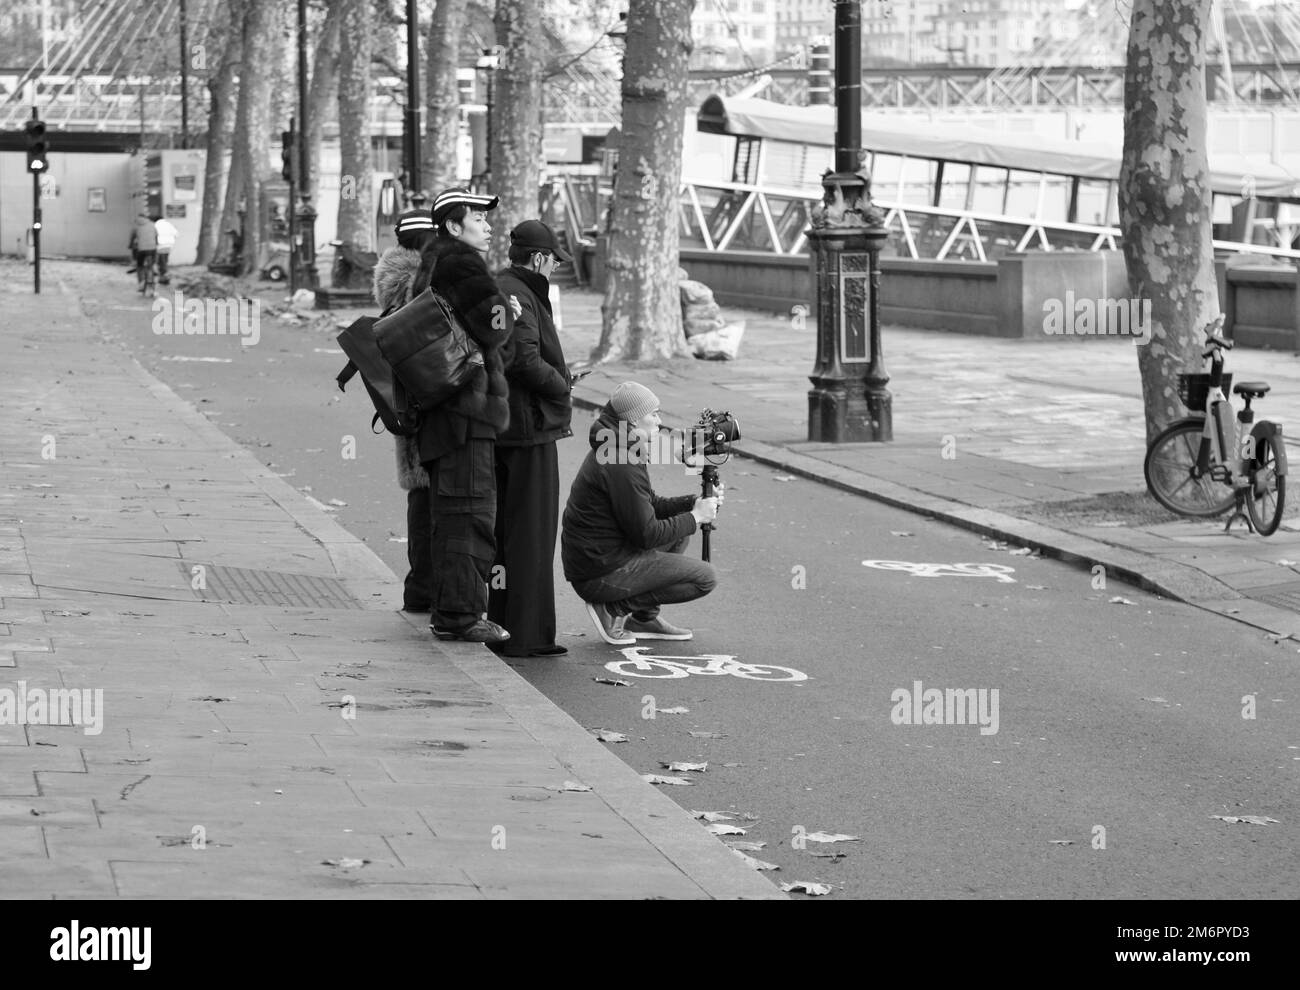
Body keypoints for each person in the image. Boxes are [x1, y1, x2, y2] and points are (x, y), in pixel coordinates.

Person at [409, 188, 519, 644]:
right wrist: (508, 313)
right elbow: (493, 330)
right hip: (465, 414)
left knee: (451, 512)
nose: (488, 226)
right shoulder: (462, 263)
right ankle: (459, 616)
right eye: (478, 217)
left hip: (442, 412)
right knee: (470, 514)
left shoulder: (433, 263)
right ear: (454, 226)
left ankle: (450, 608)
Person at [561, 382, 722, 645]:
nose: (659, 422)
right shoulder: (619, 459)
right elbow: (647, 534)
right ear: (634, 421)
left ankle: (644, 618)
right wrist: (695, 518)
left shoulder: (620, 445)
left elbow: (649, 504)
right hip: (599, 573)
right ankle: (612, 609)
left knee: (679, 534)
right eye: (654, 414)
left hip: (601, 558)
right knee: (705, 578)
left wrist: (694, 503)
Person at [488, 220, 575, 658]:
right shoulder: (519, 292)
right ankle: (527, 635)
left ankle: (504, 625)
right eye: (553, 262)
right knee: (531, 533)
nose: (553, 270)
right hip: (528, 428)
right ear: (540, 258)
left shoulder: (506, 286)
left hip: (511, 427)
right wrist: (562, 384)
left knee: (509, 530)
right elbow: (523, 360)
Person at [371, 208, 437, 613]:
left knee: (420, 497)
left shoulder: (393, 287)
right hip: (429, 403)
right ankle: (427, 587)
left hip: (405, 406)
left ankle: (419, 586)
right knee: (432, 501)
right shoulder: (421, 285)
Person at [128, 213, 157, 292]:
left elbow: (132, 238)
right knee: (151, 265)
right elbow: (156, 235)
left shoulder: (136, 226)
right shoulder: (152, 224)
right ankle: (152, 273)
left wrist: (130, 245)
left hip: (142, 249)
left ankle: (141, 283)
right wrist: (156, 243)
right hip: (152, 248)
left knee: (140, 266)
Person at [153, 214, 178, 285]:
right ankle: (163, 278)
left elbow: (153, 235)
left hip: (160, 246)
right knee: (164, 261)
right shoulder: (169, 224)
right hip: (169, 246)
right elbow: (176, 234)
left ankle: (164, 278)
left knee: (161, 263)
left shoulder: (155, 225)